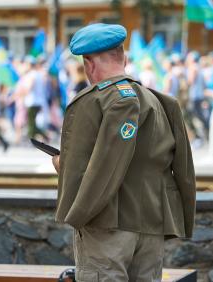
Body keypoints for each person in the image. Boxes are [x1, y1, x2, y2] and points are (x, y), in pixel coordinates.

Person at [52, 23, 196, 282]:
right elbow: (184, 172)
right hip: (151, 223)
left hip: (107, 225)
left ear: (88, 63)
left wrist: (75, 201)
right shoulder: (161, 102)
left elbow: (103, 166)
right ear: (124, 58)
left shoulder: (99, 100)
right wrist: (181, 218)